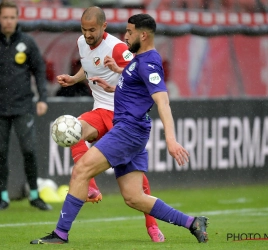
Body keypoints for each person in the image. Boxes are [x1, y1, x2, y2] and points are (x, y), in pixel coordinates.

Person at [30, 13, 209, 244]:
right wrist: (113, 85)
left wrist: (171, 140)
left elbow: (162, 101)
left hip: (128, 131)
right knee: (134, 197)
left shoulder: (149, 63)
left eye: (130, 32)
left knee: (82, 169)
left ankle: (60, 234)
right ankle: (193, 222)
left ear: (143, 35)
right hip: (130, 130)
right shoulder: (138, 59)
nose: (125, 36)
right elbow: (137, 91)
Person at [56, 7, 164, 242]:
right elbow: (88, 65)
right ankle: (91, 187)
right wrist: (74, 78)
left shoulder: (117, 47)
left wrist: (115, 76)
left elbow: (138, 70)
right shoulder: (82, 42)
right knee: (73, 129)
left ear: (103, 27)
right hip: (100, 110)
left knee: (137, 183)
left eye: (92, 30)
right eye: (84, 30)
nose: (87, 35)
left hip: (122, 114)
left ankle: (152, 226)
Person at [0, 1, 52, 211]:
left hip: (23, 106)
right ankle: (3, 197)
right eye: (5, 17)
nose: (8, 21)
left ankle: (34, 195)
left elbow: (39, 70)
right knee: (1, 153)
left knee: (30, 150)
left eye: (12, 17)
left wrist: (42, 97)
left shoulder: (28, 43)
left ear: (17, 18)